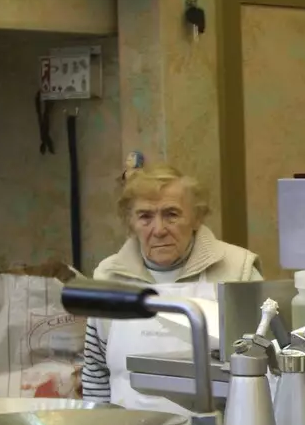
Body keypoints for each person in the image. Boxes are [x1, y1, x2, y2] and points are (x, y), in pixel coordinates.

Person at [82, 164, 261, 403]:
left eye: (171, 215)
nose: (159, 230)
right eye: (145, 216)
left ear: (197, 218)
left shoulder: (239, 270)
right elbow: (96, 374)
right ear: (130, 223)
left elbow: (265, 371)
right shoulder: (107, 278)